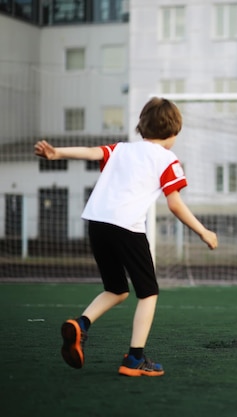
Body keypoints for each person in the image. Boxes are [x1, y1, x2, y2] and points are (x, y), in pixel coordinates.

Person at [34, 97, 218, 377]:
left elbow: (90, 152)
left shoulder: (121, 149)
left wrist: (56, 153)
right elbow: (175, 204)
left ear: (141, 128)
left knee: (117, 289)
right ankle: (134, 359)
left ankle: (81, 325)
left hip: (97, 222)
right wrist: (204, 231)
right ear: (174, 133)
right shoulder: (168, 159)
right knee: (148, 293)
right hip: (126, 227)